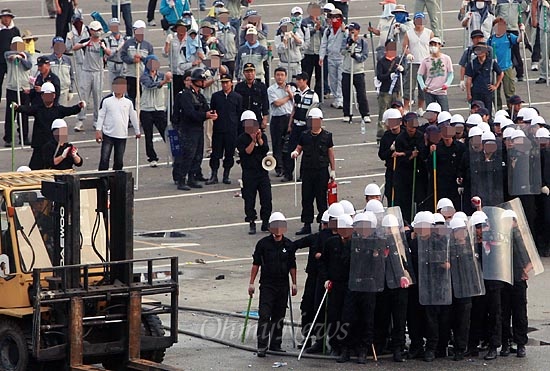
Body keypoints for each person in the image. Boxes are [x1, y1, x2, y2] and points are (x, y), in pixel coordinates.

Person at [248, 211, 297, 357]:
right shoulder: (263, 244)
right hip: (267, 285)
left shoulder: (288, 245)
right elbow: (256, 264)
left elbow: (292, 265)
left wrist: (294, 283)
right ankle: (262, 345)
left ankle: (276, 344)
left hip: (283, 285)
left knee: (279, 316)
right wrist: (251, 283)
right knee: (264, 315)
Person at [14, 82, 84, 170]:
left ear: (54, 96)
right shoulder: (38, 109)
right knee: (35, 168)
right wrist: (17, 107)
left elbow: (69, 110)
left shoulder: (58, 110)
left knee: (54, 166)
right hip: (39, 144)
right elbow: (27, 109)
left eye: (50, 95)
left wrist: (78, 106)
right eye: (45, 95)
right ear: (42, 96)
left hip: (53, 145)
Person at [291, 108, 335, 235]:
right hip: (307, 171)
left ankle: (323, 223)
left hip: (321, 171)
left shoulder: (327, 136)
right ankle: (307, 224)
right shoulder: (304, 135)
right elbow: (299, 148)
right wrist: (296, 153)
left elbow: (330, 153)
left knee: (321, 198)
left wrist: (333, 170)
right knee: (307, 198)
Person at [173, 69, 217, 190]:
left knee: (197, 155)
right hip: (188, 129)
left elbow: (205, 108)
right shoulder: (186, 95)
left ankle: (192, 178)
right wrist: (205, 115)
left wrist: (210, 113)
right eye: (201, 80)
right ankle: (182, 180)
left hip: (197, 128)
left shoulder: (199, 95)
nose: (203, 82)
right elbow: (189, 113)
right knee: (188, 155)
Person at [237, 110, 272, 234]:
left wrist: (259, 139)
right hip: (249, 173)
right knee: (249, 199)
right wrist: (252, 141)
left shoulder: (262, 136)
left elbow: (265, 150)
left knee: (266, 198)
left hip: (262, 172)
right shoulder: (241, 138)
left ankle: (265, 222)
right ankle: (251, 222)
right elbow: (247, 152)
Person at [71, 21, 111, 132]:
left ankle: (97, 120)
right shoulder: (86, 41)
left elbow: (109, 53)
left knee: (97, 97)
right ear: (91, 31)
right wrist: (84, 44)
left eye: (99, 30)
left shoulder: (102, 42)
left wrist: (103, 47)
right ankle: (80, 120)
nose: (98, 32)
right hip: (86, 71)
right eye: (95, 30)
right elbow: (74, 47)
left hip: (98, 72)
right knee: (83, 96)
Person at [96, 76, 141, 171]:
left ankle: (116, 183)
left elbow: (133, 116)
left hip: (122, 135)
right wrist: (98, 130)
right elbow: (101, 116)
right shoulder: (106, 100)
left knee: (119, 161)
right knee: (104, 159)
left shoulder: (128, 102)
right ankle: (102, 183)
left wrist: (137, 131)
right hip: (108, 134)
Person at [207, 73, 242, 184]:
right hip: (218, 129)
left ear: (231, 83)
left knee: (229, 154)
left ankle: (226, 175)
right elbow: (212, 110)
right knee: (215, 154)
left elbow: (239, 113)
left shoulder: (237, 97)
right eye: (223, 83)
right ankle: (214, 175)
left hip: (231, 131)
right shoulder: (216, 96)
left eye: (227, 82)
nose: (225, 85)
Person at [283, 72, 319, 183]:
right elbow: (294, 109)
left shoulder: (313, 95)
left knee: (307, 151)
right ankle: (288, 173)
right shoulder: (297, 93)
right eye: (297, 80)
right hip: (296, 125)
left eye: (300, 80)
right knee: (291, 150)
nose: (298, 82)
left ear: (305, 81)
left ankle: (304, 174)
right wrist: (290, 125)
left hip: (306, 127)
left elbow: (315, 112)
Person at [140, 55, 172, 167]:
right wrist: (164, 82)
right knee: (148, 135)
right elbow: (150, 86)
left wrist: (169, 79)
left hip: (159, 108)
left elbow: (170, 82)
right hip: (146, 109)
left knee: (166, 132)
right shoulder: (144, 77)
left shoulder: (161, 75)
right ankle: (152, 157)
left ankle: (172, 154)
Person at [488, 17, 524, 110]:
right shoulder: (491, 39)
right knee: (495, 94)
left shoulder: (509, 36)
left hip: (507, 68)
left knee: (509, 92)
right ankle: (498, 112)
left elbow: (519, 40)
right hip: (495, 69)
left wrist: (522, 31)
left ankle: (513, 112)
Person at [402, 12, 433, 113]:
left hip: (425, 63)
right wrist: (408, 54)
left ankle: (420, 108)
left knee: (423, 86)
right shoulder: (409, 33)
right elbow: (405, 46)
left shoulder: (429, 33)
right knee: (409, 85)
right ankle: (406, 107)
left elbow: (433, 46)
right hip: (413, 62)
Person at [341, 22, 371, 124]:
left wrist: (356, 56)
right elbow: (342, 52)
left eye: (353, 30)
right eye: (349, 30)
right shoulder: (345, 40)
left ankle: (365, 114)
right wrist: (349, 45)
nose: (351, 32)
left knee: (361, 94)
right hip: (347, 71)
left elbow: (364, 56)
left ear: (358, 31)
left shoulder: (363, 42)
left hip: (358, 71)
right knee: (346, 93)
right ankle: (347, 113)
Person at [4, 36, 31, 147]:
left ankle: (24, 137)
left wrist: (20, 57)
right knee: (10, 115)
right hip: (12, 88)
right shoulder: (7, 54)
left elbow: (28, 66)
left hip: (24, 88)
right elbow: (8, 56)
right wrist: (15, 55)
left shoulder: (27, 55)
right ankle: (8, 138)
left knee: (24, 114)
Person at [120, 20, 155, 105]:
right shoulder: (128, 44)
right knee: (131, 98)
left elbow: (151, 61)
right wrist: (132, 60)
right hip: (131, 75)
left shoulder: (148, 46)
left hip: (143, 75)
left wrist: (142, 58)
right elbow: (123, 56)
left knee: (143, 98)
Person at [267, 67, 294, 178]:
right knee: (277, 144)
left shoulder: (291, 87)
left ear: (285, 76)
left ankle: (287, 168)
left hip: (289, 118)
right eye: (278, 75)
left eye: (282, 75)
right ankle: (279, 168)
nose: (280, 77)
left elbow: (295, 101)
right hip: (277, 119)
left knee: (287, 145)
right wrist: (288, 96)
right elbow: (277, 103)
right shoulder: (271, 89)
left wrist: (289, 93)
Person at [376, 39, 405, 141]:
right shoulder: (381, 62)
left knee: (398, 113)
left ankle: (398, 134)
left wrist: (402, 69)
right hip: (385, 92)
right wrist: (389, 75)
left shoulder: (398, 60)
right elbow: (379, 76)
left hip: (396, 91)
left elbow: (404, 74)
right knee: (383, 113)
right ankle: (381, 136)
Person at [465, 41, 503, 116]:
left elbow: (501, 73)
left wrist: (495, 85)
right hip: (476, 92)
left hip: (487, 92)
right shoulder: (472, 63)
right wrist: (468, 94)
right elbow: (468, 79)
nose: (479, 52)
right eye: (477, 49)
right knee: (475, 113)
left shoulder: (491, 62)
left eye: (481, 49)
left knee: (487, 113)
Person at [417, 37, 453, 112]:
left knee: (445, 112)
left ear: (439, 45)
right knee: (431, 113)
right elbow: (419, 75)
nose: (433, 47)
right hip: (430, 91)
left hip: (441, 91)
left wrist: (447, 84)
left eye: (435, 44)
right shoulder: (426, 60)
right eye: (431, 45)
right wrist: (423, 86)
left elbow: (451, 74)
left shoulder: (446, 58)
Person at [319, 8, 345, 109]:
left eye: (337, 17)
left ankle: (340, 98)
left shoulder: (344, 29)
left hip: (341, 58)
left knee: (340, 79)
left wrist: (344, 31)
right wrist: (321, 56)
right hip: (331, 58)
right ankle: (336, 98)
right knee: (333, 79)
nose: (334, 19)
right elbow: (323, 44)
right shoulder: (328, 30)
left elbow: (348, 40)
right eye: (333, 17)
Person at [378, 108, 403, 205]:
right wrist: (390, 150)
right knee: (390, 193)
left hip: (404, 170)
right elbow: (382, 155)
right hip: (391, 170)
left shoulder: (405, 134)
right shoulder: (386, 136)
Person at [164, 18, 194, 98]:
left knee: (187, 95)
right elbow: (165, 53)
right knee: (174, 95)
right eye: (179, 28)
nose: (181, 30)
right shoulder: (172, 40)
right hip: (174, 72)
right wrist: (167, 43)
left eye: (183, 28)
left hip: (186, 72)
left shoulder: (190, 40)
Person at [234, 63, 269, 129]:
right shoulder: (239, 87)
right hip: (243, 116)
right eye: (247, 71)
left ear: (255, 72)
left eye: (251, 71)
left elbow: (265, 103)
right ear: (244, 73)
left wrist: (265, 118)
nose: (249, 73)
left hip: (256, 115)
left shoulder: (261, 86)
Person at [301, 2, 324, 98]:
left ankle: (318, 97)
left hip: (319, 53)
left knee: (320, 77)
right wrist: (315, 29)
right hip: (308, 53)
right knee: (307, 76)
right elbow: (304, 36)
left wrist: (321, 28)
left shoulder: (323, 21)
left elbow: (327, 35)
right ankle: (307, 95)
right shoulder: (304, 22)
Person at [0, 9, 20, 103]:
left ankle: (14, 101)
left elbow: (19, 45)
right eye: (4, 17)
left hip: (12, 61)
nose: (6, 19)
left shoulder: (15, 30)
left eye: (8, 17)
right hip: (0, 62)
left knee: (14, 82)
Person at [275, 17, 304, 81]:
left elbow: (301, 43)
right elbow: (280, 50)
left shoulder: (296, 34)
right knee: (285, 83)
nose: (286, 28)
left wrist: (293, 36)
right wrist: (284, 41)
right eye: (284, 26)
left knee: (297, 83)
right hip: (284, 64)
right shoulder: (278, 37)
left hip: (296, 63)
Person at [49, 36, 75, 106]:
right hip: (52, 91)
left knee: (61, 114)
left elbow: (71, 76)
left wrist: (71, 90)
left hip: (64, 91)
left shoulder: (67, 60)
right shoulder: (48, 59)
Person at [216, 7, 238, 77]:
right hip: (219, 59)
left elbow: (236, 44)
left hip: (231, 59)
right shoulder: (215, 29)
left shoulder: (233, 29)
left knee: (229, 80)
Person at [105, 18, 126, 86]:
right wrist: (117, 49)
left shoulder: (124, 38)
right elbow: (109, 54)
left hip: (123, 66)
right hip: (112, 66)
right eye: (113, 26)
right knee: (113, 86)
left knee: (122, 87)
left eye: (116, 25)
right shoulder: (107, 40)